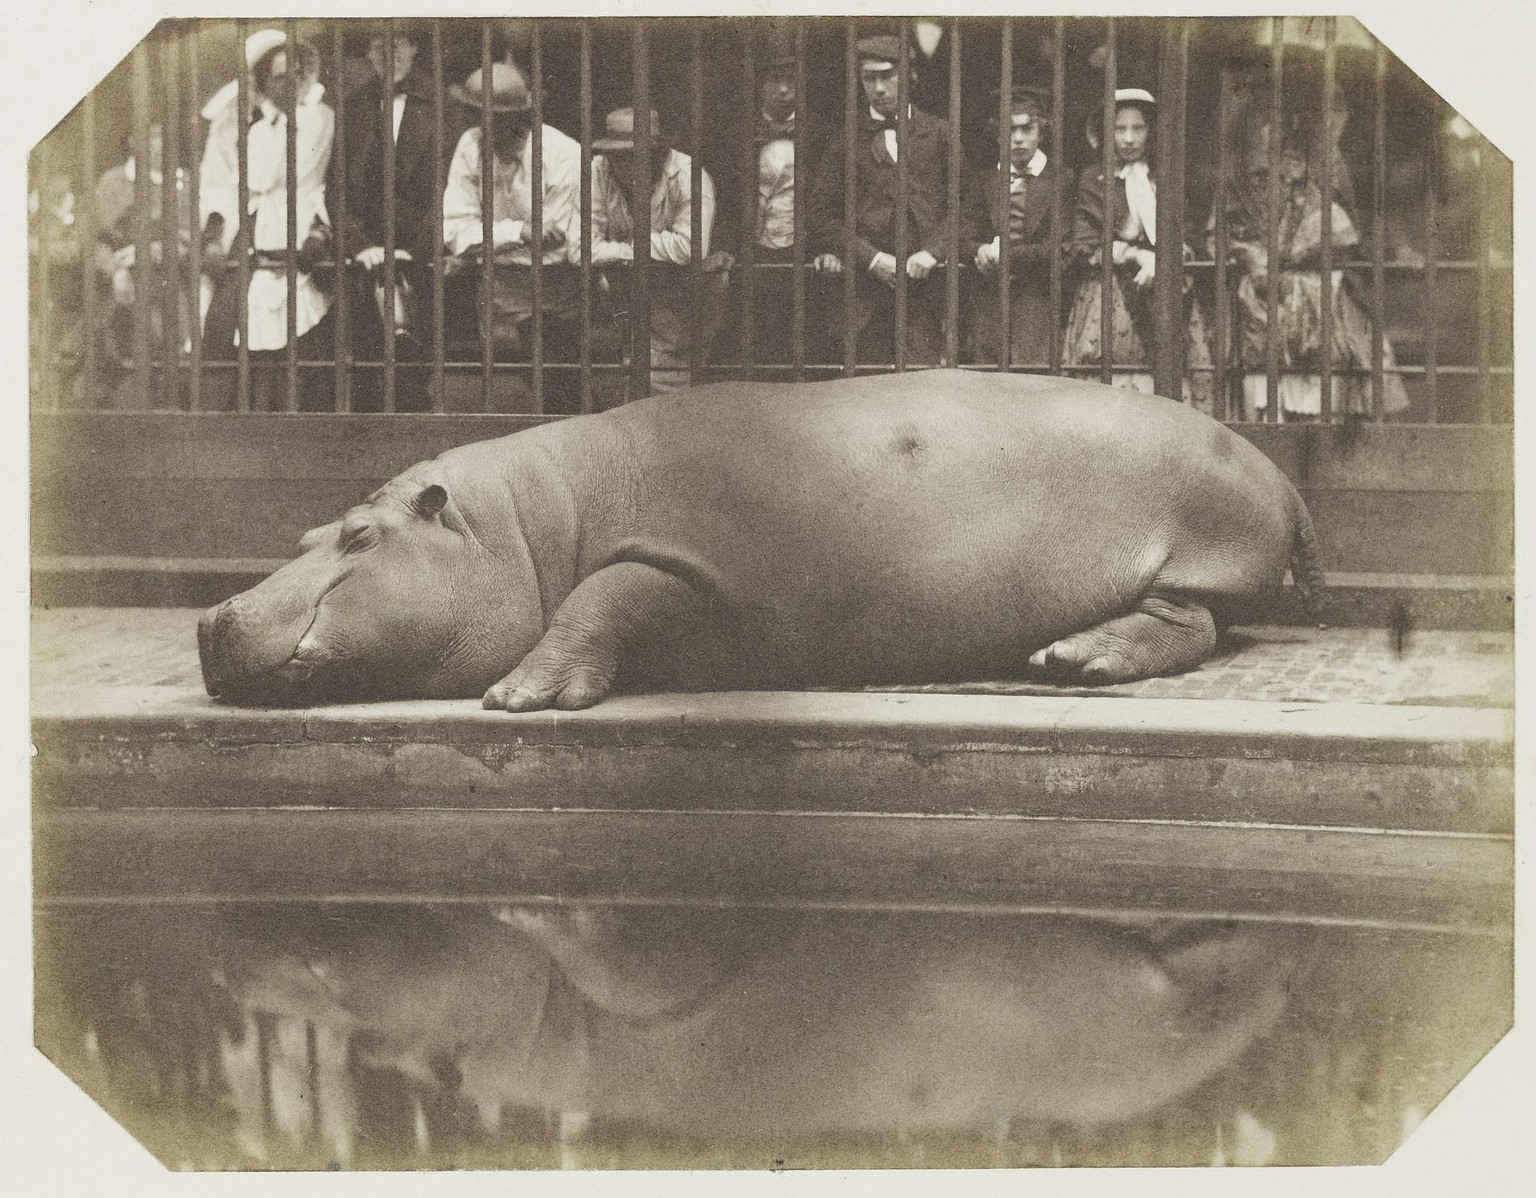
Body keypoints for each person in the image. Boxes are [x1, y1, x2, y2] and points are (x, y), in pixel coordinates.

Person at [1213, 86, 1409, 421]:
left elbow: (1344, 230)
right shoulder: (1240, 182)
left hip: (1319, 292)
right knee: (1261, 387)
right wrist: (1252, 257)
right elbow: (1223, 231)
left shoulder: (1321, 175)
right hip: (1259, 294)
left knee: (1332, 371)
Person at [199, 30, 337, 411]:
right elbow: (234, 187)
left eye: (297, 72)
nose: (290, 81)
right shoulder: (256, 131)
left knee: (304, 334)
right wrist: (214, 235)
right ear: (264, 81)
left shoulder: (320, 119)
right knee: (230, 323)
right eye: (279, 75)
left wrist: (320, 228)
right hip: (254, 231)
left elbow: (312, 179)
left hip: (302, 227)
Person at [806, 33, 961, 369]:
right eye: (869, 78)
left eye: (888, 76)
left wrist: (933, 252)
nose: (879, 88)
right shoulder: (845, 138)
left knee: (924, 389)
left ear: (909, 76)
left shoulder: (939, 134)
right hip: (862, 296)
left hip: (924, 293)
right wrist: (871, 258)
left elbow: (963, 207)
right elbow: (820, 214)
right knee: (865, 393)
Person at [441, 60, 584, 412]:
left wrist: (487, 242)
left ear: (523, 117)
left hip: (557, 290)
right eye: (476, 116)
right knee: (505, 398)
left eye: (495, 119)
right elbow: (455, 230)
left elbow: (554, 243)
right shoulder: (469, 144)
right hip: (498, 291)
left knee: (560, 394)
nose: (482, 128)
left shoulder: (563, 153)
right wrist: (518, 231)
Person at [1061, 87, 1212, 406]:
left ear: (1151, 132)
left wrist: (1165, 259)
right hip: (1109, 292)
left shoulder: (1167, 178)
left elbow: (1191, 236)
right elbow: (1084, 242)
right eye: (1120, 129)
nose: (1128, 138)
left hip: (1165, 292)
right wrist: (1139, 253)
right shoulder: (1094, 179)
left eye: (1138, 128)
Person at [329, 20, 443, 411]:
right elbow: (337, 186)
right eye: (379, 48)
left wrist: (416, 249)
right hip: (367, 251)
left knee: (415, 367)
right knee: (366, 364)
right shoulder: (354, 103)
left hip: (419, 250)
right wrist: (359, 245)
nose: (389, 56)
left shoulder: (439, 104)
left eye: (398, 46)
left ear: (414, 50)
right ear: (368, 55)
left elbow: (447, 189)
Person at [588, 105, 725, 396]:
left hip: (684, 293)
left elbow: (691, 246)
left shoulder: (689, 174)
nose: (624, 164)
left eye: (633, 155)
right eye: (618, 155)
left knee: (675, 384)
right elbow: (582, 247)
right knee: (635, 376)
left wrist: (624, 249)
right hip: (630, 294)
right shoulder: (598, 170)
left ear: (655, 152)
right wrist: (636, 252)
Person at [92, 123, 197, 407]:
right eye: (151, 135)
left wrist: (150, 252)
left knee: (171, 359)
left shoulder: (181, 182)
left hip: (168, 288)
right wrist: (116, 272)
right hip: (120, 291)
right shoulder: (112, 182)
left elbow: (187, 239)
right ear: (132, 139)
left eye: (163, 135)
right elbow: (95, 242)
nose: (158, 143)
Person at [963, 85, 1061, 368]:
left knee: (1032, 380)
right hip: (988, 299)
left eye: (1026, 129)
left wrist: (1007, 255)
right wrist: (979, 249)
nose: (1017, 139)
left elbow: (1061, 247)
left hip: (1036, 299)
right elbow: (963, 234)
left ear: (1041, 131)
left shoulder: (1060, 180)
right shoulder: (985, 181)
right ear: (996, 135)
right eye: (1009, 130)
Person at [728, 41, 801, 372]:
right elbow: (725, 196)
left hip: (800, 250)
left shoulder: (818, 132)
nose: (784, 90)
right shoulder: (736, 132)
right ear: (758, 85)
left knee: (799, 338)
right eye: (774, 81)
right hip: (750, 248)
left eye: (792, 80)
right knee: (749, 337)